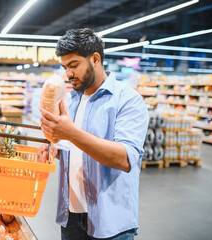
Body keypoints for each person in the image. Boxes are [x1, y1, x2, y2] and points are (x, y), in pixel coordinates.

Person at [37, 28, 149, 240]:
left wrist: (70, 133)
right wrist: (54, 146)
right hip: (70, 217)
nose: (68, 74)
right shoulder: (71, 100)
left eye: (73, 65)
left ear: (95, 59)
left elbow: (125, 158)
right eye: (64, 67)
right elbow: (75, 149)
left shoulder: (127, 100)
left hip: (110, 225)